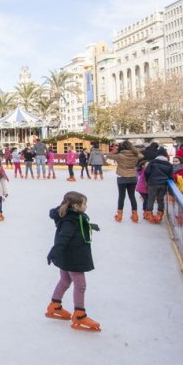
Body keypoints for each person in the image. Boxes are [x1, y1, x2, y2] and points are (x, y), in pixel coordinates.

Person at [45, 191, 101, 332]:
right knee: (80, 284)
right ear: (76, 206)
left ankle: (55, 305)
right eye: (84, 204)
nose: (86, 206)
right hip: (73, 256)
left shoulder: (75, 217)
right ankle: (79, 315)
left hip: (68, 256)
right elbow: (62, 239)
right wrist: (53, 252)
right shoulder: (70, 221)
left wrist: (89, 225)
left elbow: (76, 228)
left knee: (65, 280)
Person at [107, 141, 141, 223]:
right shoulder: (135, 155)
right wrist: (133, 149)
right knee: (132, 196)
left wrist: (117, 149)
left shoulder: (120, 156)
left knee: (122, 196)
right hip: (133, 178)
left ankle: (119, 215)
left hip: (122, 178)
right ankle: (135, 215)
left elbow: (108, 155)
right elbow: (141, 155)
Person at [144, 148, 173, 223]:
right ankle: (159, 215)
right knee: (160, 199)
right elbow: (170, 176)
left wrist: (147, 180)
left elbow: (146, 172)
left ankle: (149, 214)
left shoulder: (152, 162)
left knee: (151, 198)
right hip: (163, 184)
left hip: (152, 183)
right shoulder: (169, 164)